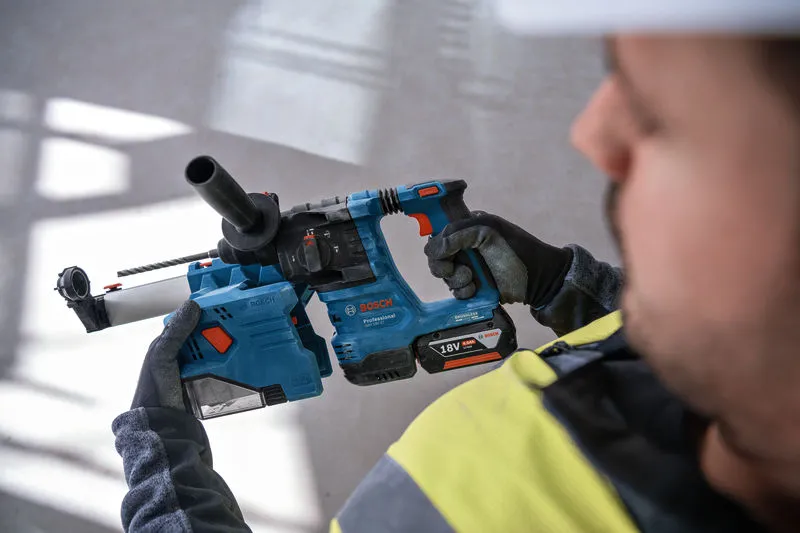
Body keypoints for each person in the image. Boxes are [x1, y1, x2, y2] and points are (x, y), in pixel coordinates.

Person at [111, 2, 800, 532]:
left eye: (661, 116)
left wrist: (162, 463)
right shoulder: (745, 365)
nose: (595, 134)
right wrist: (569, 288)